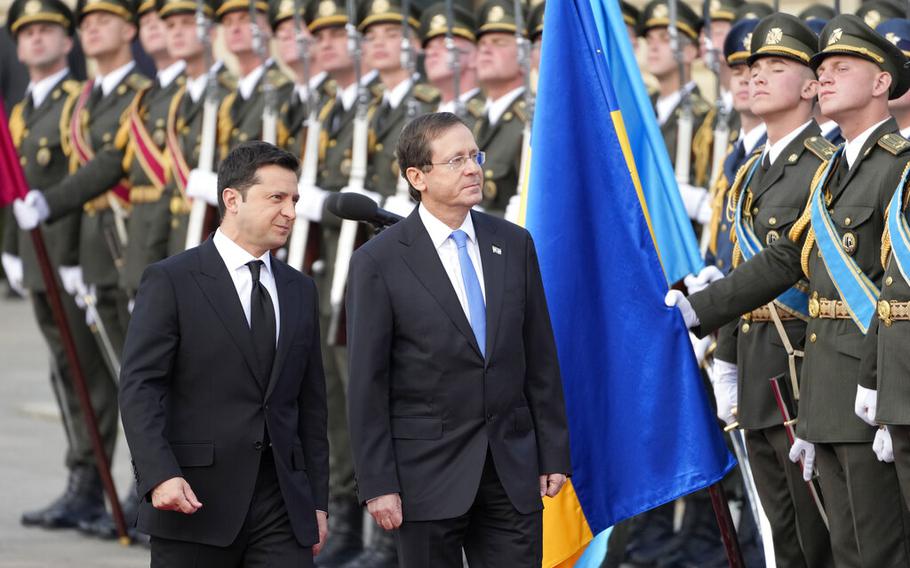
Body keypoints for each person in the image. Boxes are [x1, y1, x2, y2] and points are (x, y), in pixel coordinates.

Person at [670, 14, 910, 566]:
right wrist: (697, 311)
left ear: (880, 82)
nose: (825, 77)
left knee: (878, 550)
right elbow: (784, 259)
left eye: (839, 67)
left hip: (869, 386)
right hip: (823, 388)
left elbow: (891, 289)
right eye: (821, 68)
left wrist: (885, 386)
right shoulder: (835, 174)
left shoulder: (896, 167)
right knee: (840, 548)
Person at [346, 112, 571, 567]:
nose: (473, 168)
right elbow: (367, 384)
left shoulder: (513, 243)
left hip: (511, 469)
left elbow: (540, 358)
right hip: (425, 477)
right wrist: (377, 482)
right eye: (455, 160)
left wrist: (553, 452)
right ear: (418, 176)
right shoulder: (380, 260)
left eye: (474, 155)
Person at [119, 141, 329, 566]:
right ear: (232, 200)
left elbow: (310, 404)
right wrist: (160, 474)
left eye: (294, 200)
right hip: (194, 498)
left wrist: (317, 500)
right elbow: (140, 387)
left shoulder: (299, 288)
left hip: (282, 504)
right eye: (277, 198)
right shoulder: (171, 280)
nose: (290, 211)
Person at [707, 13, 834, 567]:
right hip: (759, 372)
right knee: (780, 537)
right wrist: (728, 358)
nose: (756, 77)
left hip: (805, 371)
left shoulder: (822, 168)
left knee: (821, 534)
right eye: (753, 67)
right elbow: (739, 272)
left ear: (811, 87)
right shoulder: (750, 173)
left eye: (775, 67)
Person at [2, 0, 117, 532]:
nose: (37, 41)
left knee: (91, 376)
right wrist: (10, 249)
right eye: (28, 33)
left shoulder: (78, 104)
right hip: (36, 259)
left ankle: (95, 484)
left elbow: (82, 188)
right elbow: (16, 189)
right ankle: (80, 480)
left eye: (48, 31)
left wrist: (70, 258)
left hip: (70, 263)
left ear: (68, 43)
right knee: (64, 374)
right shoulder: (23, 109)